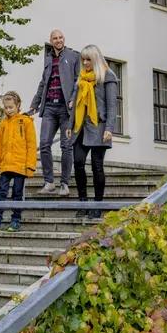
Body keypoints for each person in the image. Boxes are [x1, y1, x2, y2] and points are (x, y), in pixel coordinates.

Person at [69, 45, 119, 219]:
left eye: (88, 59)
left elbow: (112, 106)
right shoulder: (81, 78)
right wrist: (70, 126)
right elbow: (75, 104)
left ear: (96, 59)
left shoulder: (108, 77)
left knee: (97, 166)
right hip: (80, 127)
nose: (85, 62)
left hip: (99, 127)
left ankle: (98, 205)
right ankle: (83, 202)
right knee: (78, 162)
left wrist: (109, 129)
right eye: (83, 59)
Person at [29, 29, 79, 195]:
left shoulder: (73, 56)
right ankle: (49, 182)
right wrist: (34, 105)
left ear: (64, 39)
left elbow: (78, 81)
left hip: (66, 109)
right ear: (51, 41)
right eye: (55, 38)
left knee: (66, 146)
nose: (58, 40)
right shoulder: (48, 58)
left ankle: (64, 184)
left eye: (60, 37)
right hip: (49, 107)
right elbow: (43, 83)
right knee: (44, 144)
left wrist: (73, 98)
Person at [0, 91, 36, 232]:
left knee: (17, 193)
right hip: (6, 165)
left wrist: (30, 166)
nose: (8, 110)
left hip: (20, 165)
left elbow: (31, 145)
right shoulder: (3, 124)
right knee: (1, 191)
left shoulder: (26, 122)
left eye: (11, 107)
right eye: (6, 108)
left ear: (18, 105)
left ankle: (15, 220)